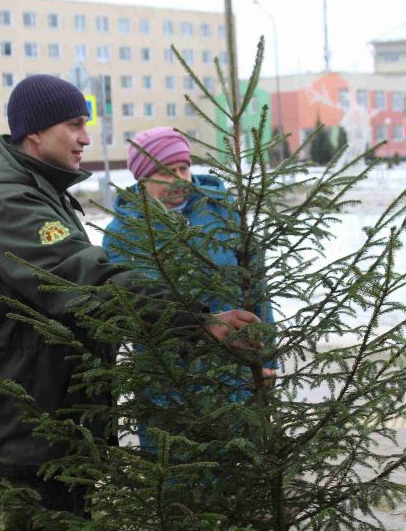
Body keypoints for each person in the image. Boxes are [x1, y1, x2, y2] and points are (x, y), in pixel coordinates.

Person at [0, 76, 259, 516]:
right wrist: (195, 322)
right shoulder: (11, 205)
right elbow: (87, 282)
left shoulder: (42, 194)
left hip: (57, 420)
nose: (85, 138)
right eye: (74, 124)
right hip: (35, 427)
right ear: (35, 132)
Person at [101, 126, 277, 449]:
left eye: (184, 168)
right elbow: (127, 305)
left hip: (233, 375)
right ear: (142, 178)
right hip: (166, 385)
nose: (180, 179)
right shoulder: (121, 233)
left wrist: (267, 360)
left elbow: (257, 289)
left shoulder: (222, 213)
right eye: (167, 172)